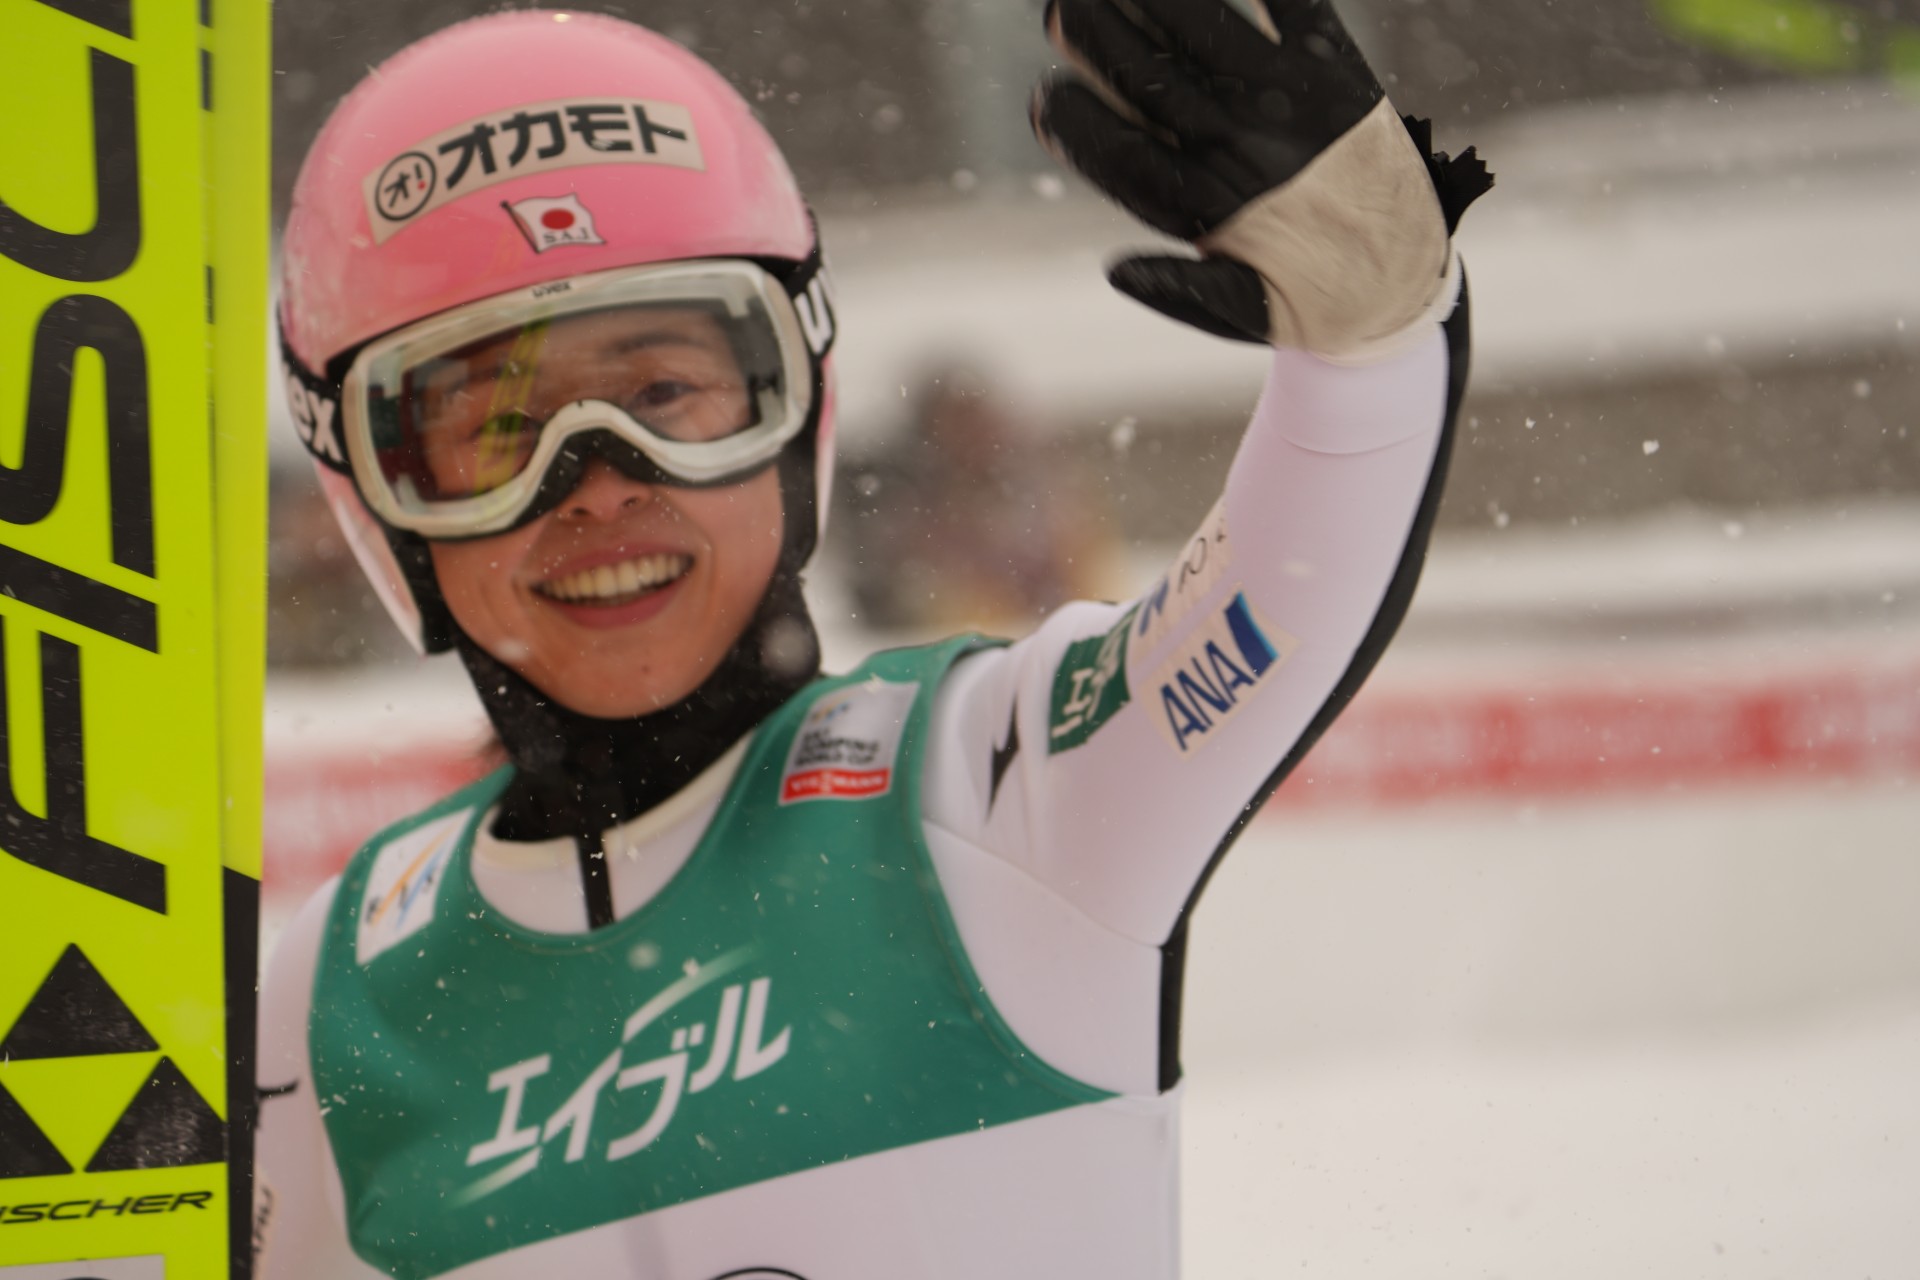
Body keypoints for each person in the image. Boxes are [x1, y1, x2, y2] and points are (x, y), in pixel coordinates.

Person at [254, 2, 1489, 1277]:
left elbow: (1287, 600)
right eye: (497, 433)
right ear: (375, 497)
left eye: (667, 392)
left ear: (797, 407)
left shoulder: (992, 791)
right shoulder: (332, 995)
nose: (600, 487)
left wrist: (1375, 341)